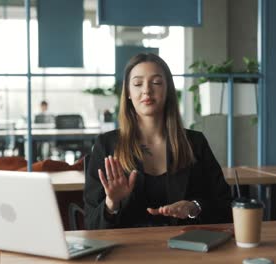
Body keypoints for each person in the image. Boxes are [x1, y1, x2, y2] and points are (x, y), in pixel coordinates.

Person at [84, 53, 232, 229]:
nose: (147, 90)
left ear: (168, 90)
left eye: (156, 83)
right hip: (127, 251)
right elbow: (92, 225)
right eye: (138, 84)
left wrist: (194, 208)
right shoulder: (106, 145)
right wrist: (111, 203)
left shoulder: (195, 142)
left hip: (187, 248)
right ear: (129, 93)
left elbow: (225, 206)